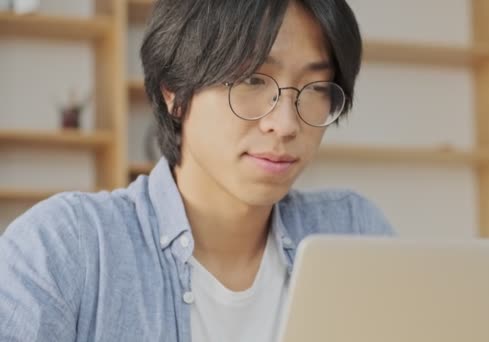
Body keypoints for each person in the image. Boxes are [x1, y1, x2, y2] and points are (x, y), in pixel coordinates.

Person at [0, 0, 394, 341]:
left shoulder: (353, 231)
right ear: (175, 91)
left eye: (317, 87)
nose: (286, 124)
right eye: (252, 79)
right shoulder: (67, 248)